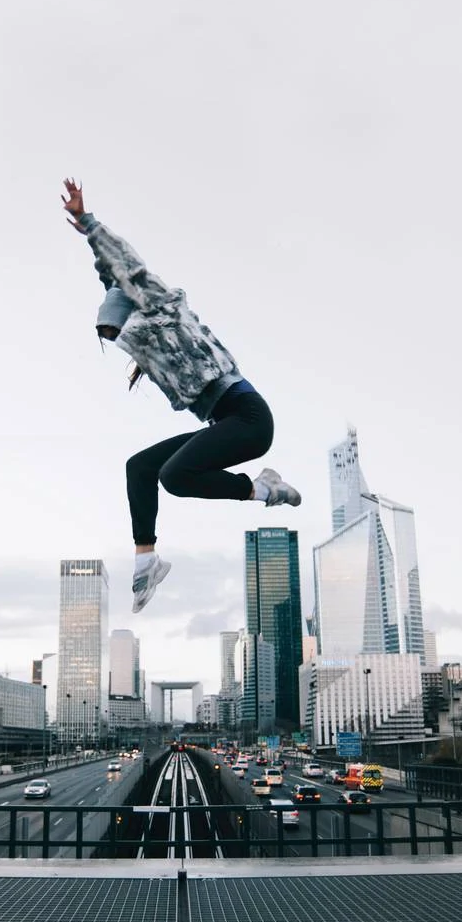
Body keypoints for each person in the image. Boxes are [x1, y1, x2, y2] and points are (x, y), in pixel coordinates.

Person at [63, 177, 300, 613]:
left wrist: (88, 222)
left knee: (174, 477)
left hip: (249, 418)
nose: (119, 339)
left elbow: (123, 268)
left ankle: (263, 490)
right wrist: (93, 255)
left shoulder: (160, 306)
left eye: (116, 330)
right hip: (226, 422)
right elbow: (108, 279)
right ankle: (146, 560)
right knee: (140, 466)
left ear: (133, 309)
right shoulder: (141, 330)